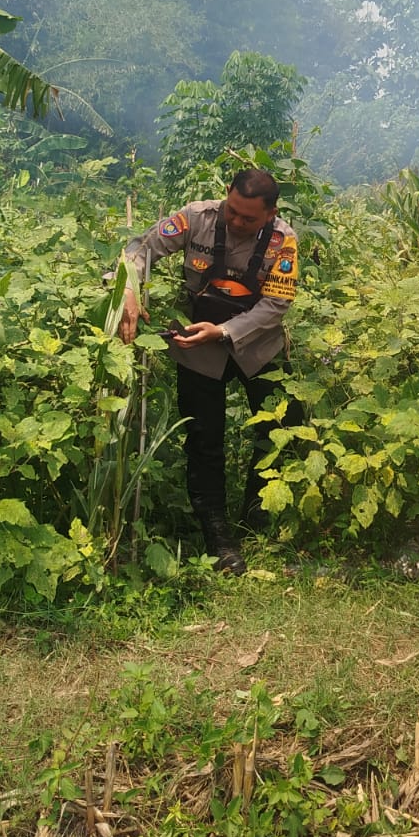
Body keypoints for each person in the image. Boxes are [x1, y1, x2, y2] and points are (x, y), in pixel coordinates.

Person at [118, 169, 300, 575]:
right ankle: (217, 535)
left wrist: (224, 332)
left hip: (257, 346)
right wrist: (128, 288)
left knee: (279, 429)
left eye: (248, 218)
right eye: (232, 211)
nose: (236, 222)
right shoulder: (196, 217)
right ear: (226, 196)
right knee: (205, 439)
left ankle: (259, 512)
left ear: (271, 212)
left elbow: (276, 306)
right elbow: (140, 248)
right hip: (196, 347)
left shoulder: (283, 241)